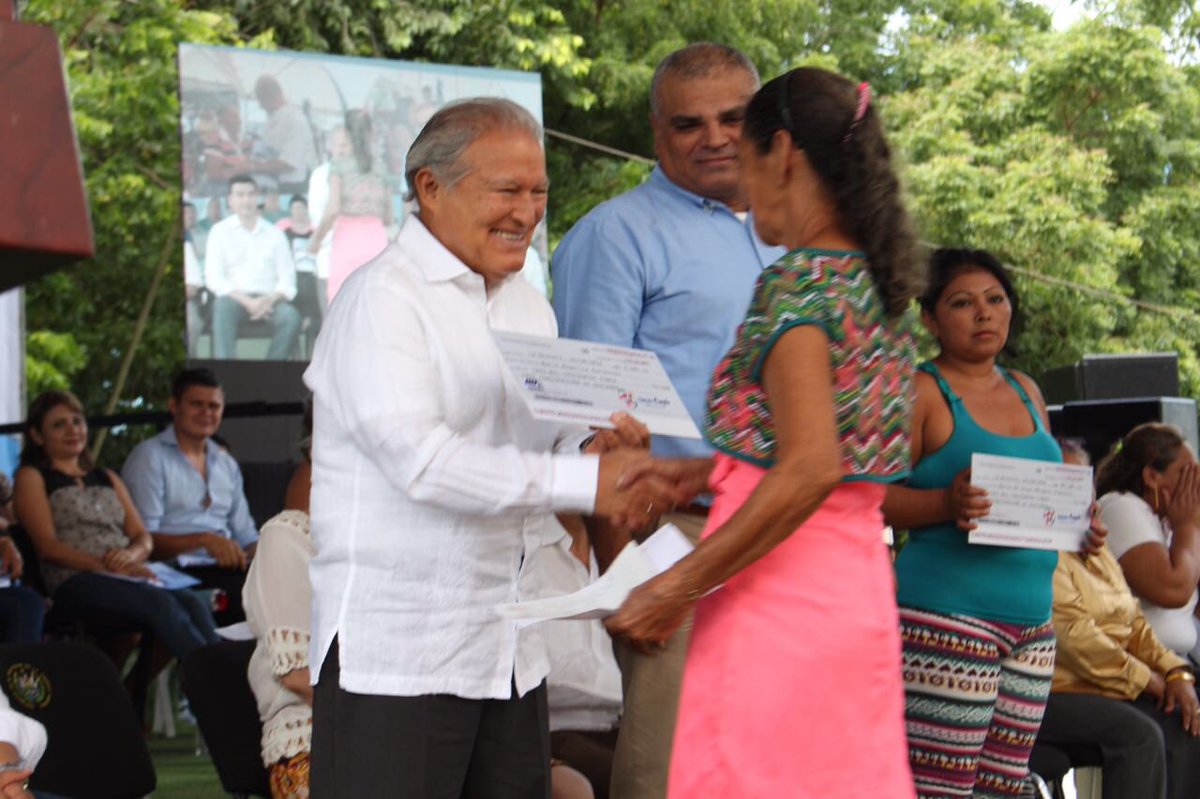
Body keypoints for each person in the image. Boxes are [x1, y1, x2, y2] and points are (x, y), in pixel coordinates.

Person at [302, 97, 676, 798]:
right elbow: (423, 462)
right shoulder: (381, 298)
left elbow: (554, 433)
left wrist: (603, 448)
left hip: (508, 649)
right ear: (430, 187)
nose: (527, 212)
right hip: (400, 652)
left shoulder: (527, 303)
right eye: (507, 190)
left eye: (538, 192)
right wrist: (585, 483)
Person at [606, 67, 925, 798]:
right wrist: (703, 473)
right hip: (853, 596)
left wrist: (677, 586)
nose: (744, 191)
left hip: (780, 603)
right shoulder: (874, 287)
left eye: (746, 160)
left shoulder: (799, 283)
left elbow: (811, 468)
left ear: (781, 151)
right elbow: (835, 460)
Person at [551, 43, 785, 798]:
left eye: (732, 118)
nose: (714, 137)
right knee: (671, 767)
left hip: (792, 530)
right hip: (675, 533)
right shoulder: (616, 234)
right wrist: (627, 573)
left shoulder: (794, 230)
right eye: (690, 124)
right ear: (658, 133)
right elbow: (594, 422)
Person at [885, 248, 1099, 797]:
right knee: (941, 789)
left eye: (995, 299)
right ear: (930, 319)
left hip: (1033, 626)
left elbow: (1041, 498)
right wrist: (945, 504)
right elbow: (871, 499)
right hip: (946, 619)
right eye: (962, 302)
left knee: (1004, 790)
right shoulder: (921, 391)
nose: (983, 313)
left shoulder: (1027, 390)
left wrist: (1079, 525)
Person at [1037, 438, 1200, 799]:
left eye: (1084, 486)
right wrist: (1146, 679)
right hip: (1058, 688)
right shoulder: (1041, 550)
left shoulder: (1093, 545)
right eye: (1067, 485)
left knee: (1188, 714)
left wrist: (1175, 672)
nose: (1086, 501)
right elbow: (1074, 636)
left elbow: (1134, 622)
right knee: (1142, 736)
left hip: (1107, 683)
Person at [12, 391, 219, 662]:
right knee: (159, 603)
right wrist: (107, 566)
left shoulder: (107, 477)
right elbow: (47, 546)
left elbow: (142, 536)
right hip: (76, 577)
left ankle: (223, 673)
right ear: (37, 435)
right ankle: (211, 680)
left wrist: (130, 557)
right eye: (59, 425)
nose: (72, 430)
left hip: (127, 572)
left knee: (192, 602)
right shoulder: (32, 476)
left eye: (77, 421)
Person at [121, 368, 258, 625]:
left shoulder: (226, 463)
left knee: (285, 584)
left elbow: (247, 536)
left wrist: (273, 556)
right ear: (174, 406)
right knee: (245, 599)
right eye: (196, 404)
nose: (206, 412)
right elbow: (143, 539)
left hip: (227, 569)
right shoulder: (149, 456)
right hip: (172, 572)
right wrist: (204, 540)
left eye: (214, 406)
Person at [1093, 423, 1200, 659]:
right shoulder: (1121, 506)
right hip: (1142, 665)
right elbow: (1173, 590)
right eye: (1186, 473)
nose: (1195, 482)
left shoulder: (1166, 522)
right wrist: (1187, 526)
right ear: (1152, 477)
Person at [204, 174, 301, 360]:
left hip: (269, 301)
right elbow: (214, 278)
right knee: (221, 306)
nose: (246, 200)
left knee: (291, 317)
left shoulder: (275, 234)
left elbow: (288, 279)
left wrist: (268, 301)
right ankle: (226, 372)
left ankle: (270, 371)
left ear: (258, 198)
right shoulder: (219, 232)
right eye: (240, 195)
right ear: (230, 200)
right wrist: (248, 302)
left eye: (250, 194)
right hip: (235, 300)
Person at [308, 109, 392, 303]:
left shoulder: (339, 166)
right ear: (371, 132)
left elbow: (332, 211)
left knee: (342, 307)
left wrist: (315, 241)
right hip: (377, 243)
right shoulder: (381, 167)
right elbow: (388, 216)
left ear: (346, 133)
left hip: (347, 242)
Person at [250, 75, 319, 193]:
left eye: (263, 100)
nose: (261, 106)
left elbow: (289, 164)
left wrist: (252, 167)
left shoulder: (294, 119)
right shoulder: (273, 119)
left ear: (277, 95)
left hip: (295, 188)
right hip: (274, 187)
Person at [277, 195, 321, 355]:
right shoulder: (282, 231)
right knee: (296, 282)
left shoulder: (316, 231)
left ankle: (310, 322)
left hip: (313, 275)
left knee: (311, 283)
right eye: (295, 208)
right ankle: (300, 322)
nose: (298, 211)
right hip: (289, 274)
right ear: (290, 211)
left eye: (301, 207)